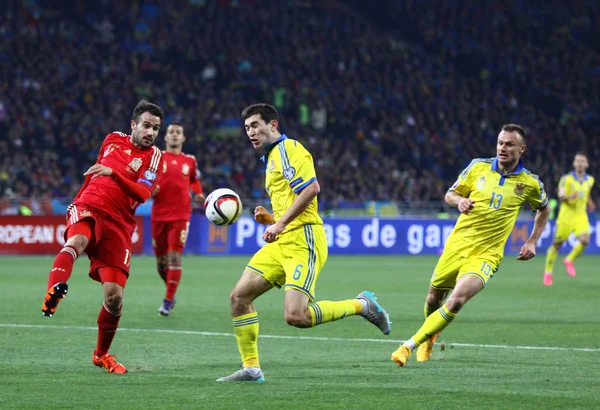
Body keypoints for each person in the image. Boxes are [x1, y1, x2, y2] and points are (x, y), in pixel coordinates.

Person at [217, 103, 392, 383]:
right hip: (282, 242)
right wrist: (272, 218)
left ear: (273, 125)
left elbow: (311, 189)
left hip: (304, 240)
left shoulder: (289, 150)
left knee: (297, 316)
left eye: (256, 125)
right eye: (247, 127)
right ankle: (251, 368)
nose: (250, 132)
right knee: (239, 297)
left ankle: (362, 305)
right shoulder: (271, 157)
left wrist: (280, 223)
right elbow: (294, 201)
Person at [391, 124, 550, 367]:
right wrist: (460, 201)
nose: (503, 148)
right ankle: (430, 337)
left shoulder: (529, 183)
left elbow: (544, 209)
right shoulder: (478, 167)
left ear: (522, 148)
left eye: (509, 144)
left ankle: (409, 345)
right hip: (457, 246)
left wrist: (532, 240)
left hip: (487, 255)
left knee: (456, 300)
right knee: (434, 299)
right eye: (500, 143)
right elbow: (449, 194)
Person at [41, 100, 164, 374]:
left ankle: (101, 354)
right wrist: (90, 190)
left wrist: (114, 173)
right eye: (146, 125)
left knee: (114, 298)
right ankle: (53, 291)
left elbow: (143, 194)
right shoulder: (112, 138)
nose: (151, 132)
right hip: (90, 205)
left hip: (119, 224)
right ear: (133, 125)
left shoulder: (155, 156)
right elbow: (97, 170)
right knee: (77, 241)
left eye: (156, 128)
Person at [151, 122, 205, 316]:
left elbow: (194, 180)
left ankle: (167, 300)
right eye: (171, 132)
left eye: (178, 133)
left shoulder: (189, 160)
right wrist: (150, 189)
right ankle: (171, 292)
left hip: (181, 214)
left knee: (174, 257)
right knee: (161, 262)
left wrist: (198, 193)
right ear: (165, 137)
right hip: (159, 214)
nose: (174, 135)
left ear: (183, 138)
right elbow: (147, 178)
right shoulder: (156, 157)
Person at [543, 153, 595, 286]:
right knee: (557, 244)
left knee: (585, 240)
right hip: (566, 217)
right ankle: (548, 272)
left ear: (587, 164)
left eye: (582, 161)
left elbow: (586, 193)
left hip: (580, 216)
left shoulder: (590, 180)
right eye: (577, 161)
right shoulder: (566, 179)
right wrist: (568, 197)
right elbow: (560, 195)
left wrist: (589, 202)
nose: (580, 163)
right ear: (574, 164)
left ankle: (569, 260)